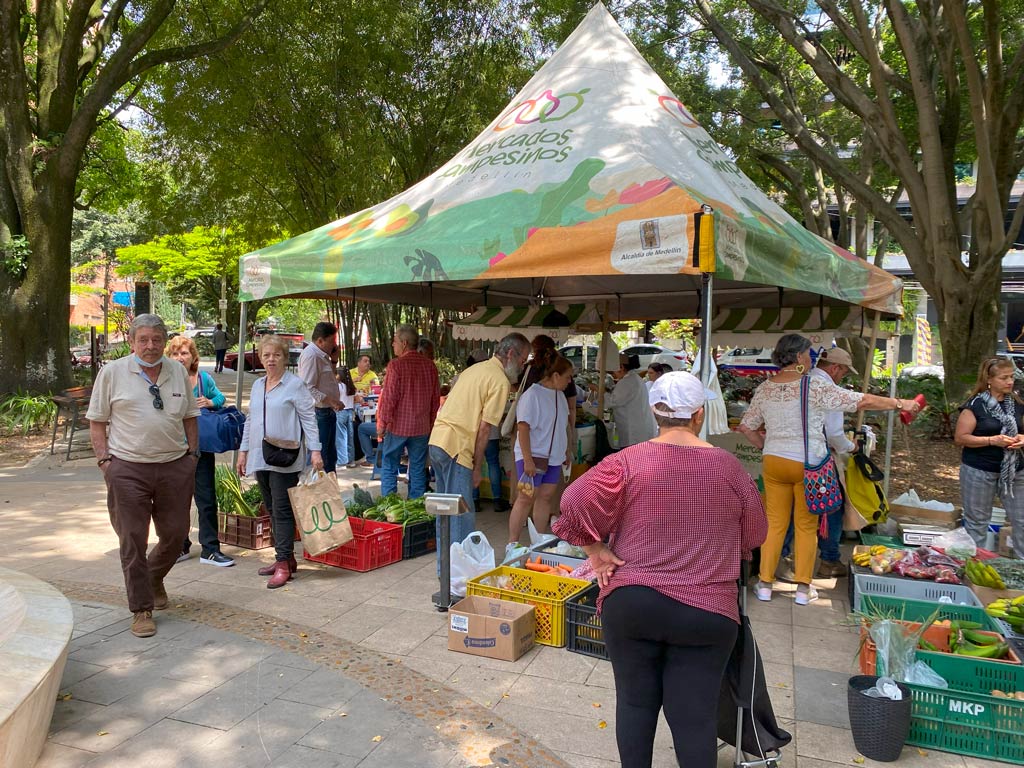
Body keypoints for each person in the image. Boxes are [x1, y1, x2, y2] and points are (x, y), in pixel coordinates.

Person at [553, 371, 768, 768]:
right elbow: (756, 533)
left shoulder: (625, 462)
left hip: (633, 602)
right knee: (695, 718)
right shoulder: (729, 468)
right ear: (699, 415)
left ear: (655, 412)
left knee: (635, 704)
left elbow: (572, 501)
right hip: (707, 611)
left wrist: (595, 549)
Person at [737, 334, 920, 605]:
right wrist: (899, 403)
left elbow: (746, 426)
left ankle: (765, 584)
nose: (811, 359)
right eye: (808, 354)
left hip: (774, 461)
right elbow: (861, 401)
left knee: (774, 524)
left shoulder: (765, 388)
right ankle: (803, 589)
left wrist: (766, 445)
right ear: (798, 357)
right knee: (806, 526)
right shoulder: (813, 385)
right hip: (808, 464)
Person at [87, 314, 200, 638]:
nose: (150, 346)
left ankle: (152, 578)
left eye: (156, 339)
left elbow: (190, 416)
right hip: (127, 468)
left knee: (176, 535)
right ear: (132, 341)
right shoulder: (112, 373)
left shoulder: (178, 371)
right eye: (143, 339)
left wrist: (192, 455)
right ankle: (141, 609)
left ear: (164, 341)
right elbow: (97, 421)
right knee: (133, 539)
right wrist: (105, 462)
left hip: (174, 466)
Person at [237, 334, 323, 589]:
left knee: (282, 510)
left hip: (285, 456)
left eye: (276, 355)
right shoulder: (257, 385)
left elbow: (309, 419)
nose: (271, 359)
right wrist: (243, 451)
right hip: (260, 454)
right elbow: (250, 420)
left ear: (285, 358)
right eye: (266, 355)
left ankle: (283, 563)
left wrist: (315, 451)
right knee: (272, 509)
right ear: (260, 358)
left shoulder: (295, 385)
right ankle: (285, 558)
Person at [429, 333, 531, 547]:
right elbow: (485, 429)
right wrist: (476, 467)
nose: (522, 368)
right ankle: (457, 567)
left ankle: (445, 564)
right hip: (456, 448)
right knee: (461, 515)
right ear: (510, 354)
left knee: (445, 512)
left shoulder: (474, 370)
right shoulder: (500, 381)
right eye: (522, 361)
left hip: (437, 441)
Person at [779, 347, 861, 579]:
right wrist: (850, 447)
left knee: (790, 507)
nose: (842, 376)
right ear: (835, 368)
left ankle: (780, 558)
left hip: (785, 454)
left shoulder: (796, 382)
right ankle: (829, 560)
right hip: (816, 458)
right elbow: (834, 434)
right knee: (831, 507)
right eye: (844, 372)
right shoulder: (828, 389)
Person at [167, 335, 235, 568]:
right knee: (177, 501)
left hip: (202, 447)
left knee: (206, 499)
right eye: (175, 353)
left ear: (193, 356)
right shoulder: (165, 381)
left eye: (184, 353)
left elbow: (220, 397)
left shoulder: (203, 379)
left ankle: (210, 549)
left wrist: (209, 401)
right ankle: (180, 545)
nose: (180, 357)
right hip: (174, 449)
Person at [954, 356, 1024, 557]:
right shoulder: (975, 405)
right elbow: (960, 438)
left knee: (1021, 519)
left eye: (1011, 377)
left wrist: (1021, 438)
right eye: (1004, 378)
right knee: (977, 522)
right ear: (989, 380)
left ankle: (1021, 565)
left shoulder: (1017, 403)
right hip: (979, 470)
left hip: (1015, 470)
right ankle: (975, 565)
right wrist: (992, 440)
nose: (1010, 381)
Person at [507, 355, 575, 555]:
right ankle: (512, 543)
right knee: (525, 498)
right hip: (533, 454)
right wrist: (527, 459)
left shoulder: (560, 396)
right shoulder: (532, 395)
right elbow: (523, 428)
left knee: (545, 497)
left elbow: (563, 425)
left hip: (554, 456)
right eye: (568, 377)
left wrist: (567, 449)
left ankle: (539, 540)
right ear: (555, 376)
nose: (570, 381)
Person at [376, 324, 440, 499]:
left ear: (404, 343)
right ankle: (415, 506)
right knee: (417, 468)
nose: (393, 344)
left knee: (390, 465)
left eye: (395, 341)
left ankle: (390, 505)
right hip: (421, 428)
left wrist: (382, 424)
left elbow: (389, 398)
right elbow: (435, 400)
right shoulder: (430, 366)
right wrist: (430, 423)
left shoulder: (396, 365)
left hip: (398, 427)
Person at [298, 322, 341, 474]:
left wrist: (334, 360)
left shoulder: (322, 355)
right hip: (319, 412)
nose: (334, 344)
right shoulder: (312, 356)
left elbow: (329, 379)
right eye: (332, 340)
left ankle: (329, 486)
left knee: (330, 455)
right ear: (321, 340)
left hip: (327, 411)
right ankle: (320, 487)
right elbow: (307, 387)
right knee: (321, 458)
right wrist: (330, 400)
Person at [593, 354, 657, 447]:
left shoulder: (627, 382)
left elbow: (612, 402)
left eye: (613, 371)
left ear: (621, 367)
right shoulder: (633, 378)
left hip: (634, 430)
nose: (613, 374)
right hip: (640, 427)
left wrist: (598, 390)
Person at [336, 366, 357, 470]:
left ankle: (342, 461)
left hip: (341, 412)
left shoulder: (339, 386)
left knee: (341, 437)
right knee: (350, 436)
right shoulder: (351, 387)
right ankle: (351, 460)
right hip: (350, 411)